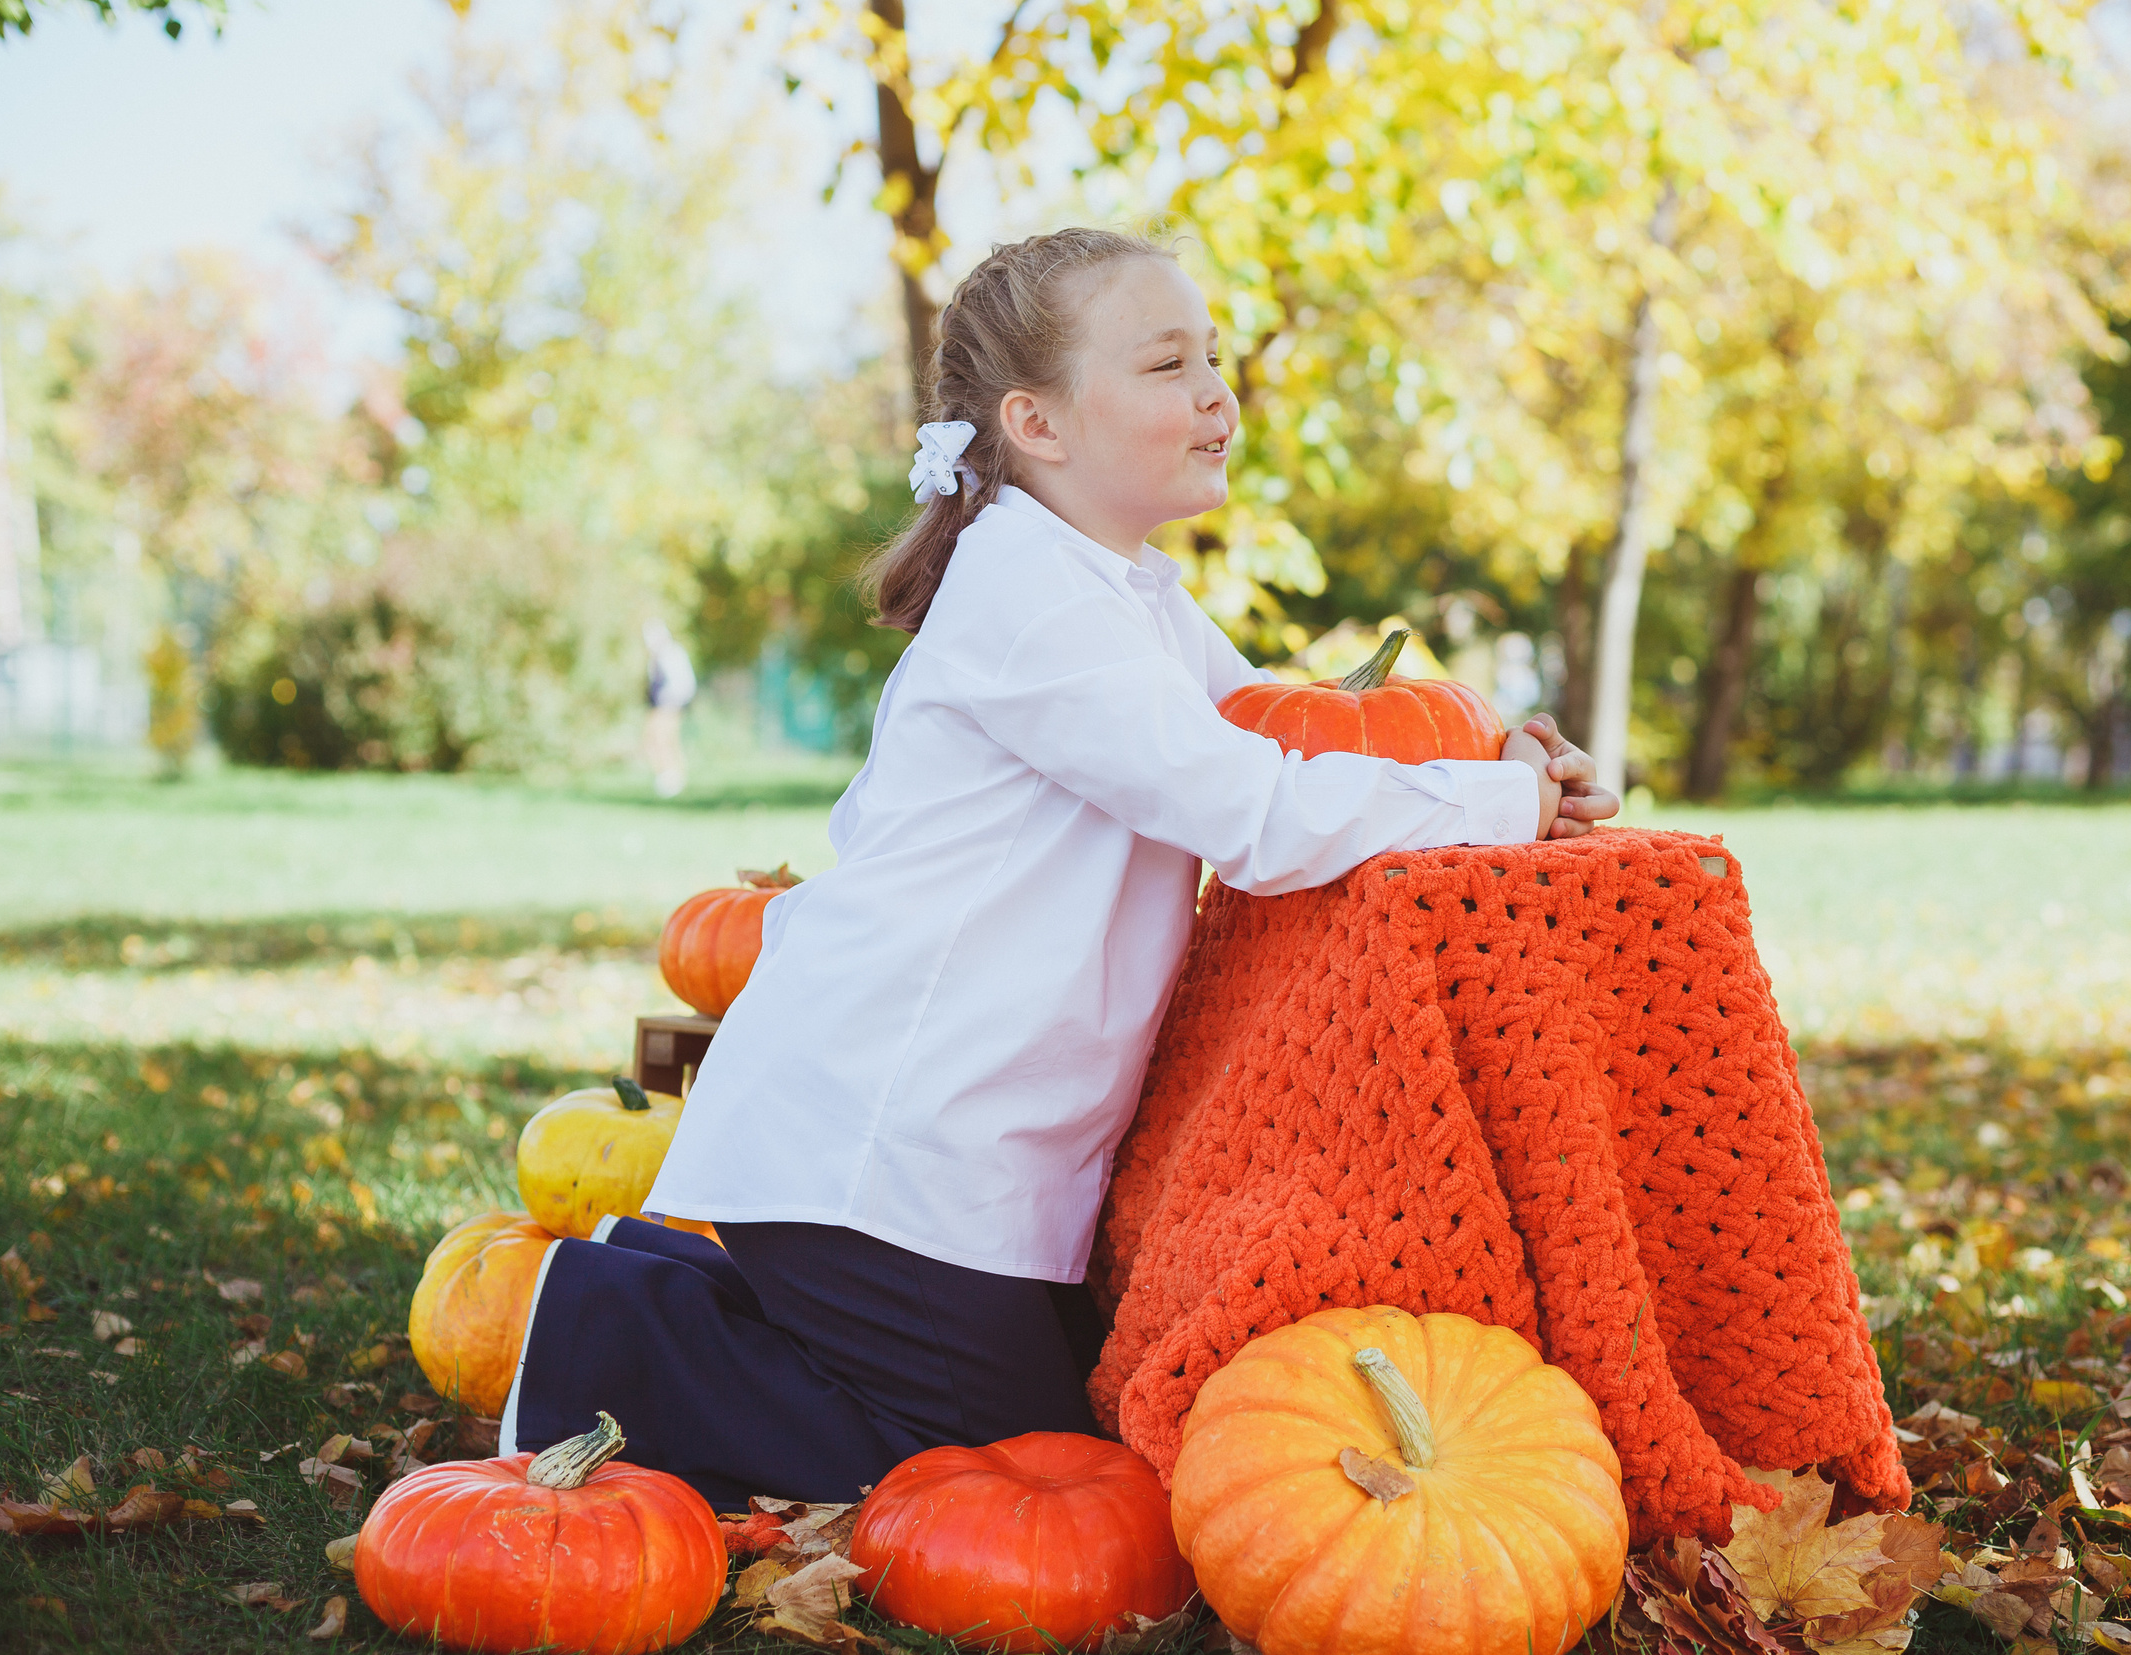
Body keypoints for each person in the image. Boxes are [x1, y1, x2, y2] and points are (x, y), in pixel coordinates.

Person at [498, 228, 1620, 1507]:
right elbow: (1246, 807)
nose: (1216, 394)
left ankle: (701, 1289)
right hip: (882, 1136)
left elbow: (1288, 727)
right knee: (993, 1473)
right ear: (1036, 421)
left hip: (980, 1147)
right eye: (1165, 365)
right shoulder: (1025, 600)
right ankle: (613, 1337)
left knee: (1060, 1427)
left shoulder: (1120, 588)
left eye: (1212, 358)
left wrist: (1495, 755)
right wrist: (1492, 801)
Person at [642, 619, 697, 798]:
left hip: (670, 704)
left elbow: (685, 683)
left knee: (665, 739)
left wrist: (677, 703)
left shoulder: (673, 654)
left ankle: (673, 779)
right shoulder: (656, 657)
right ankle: (665, 776)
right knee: (652, 740)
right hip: (659, 705)